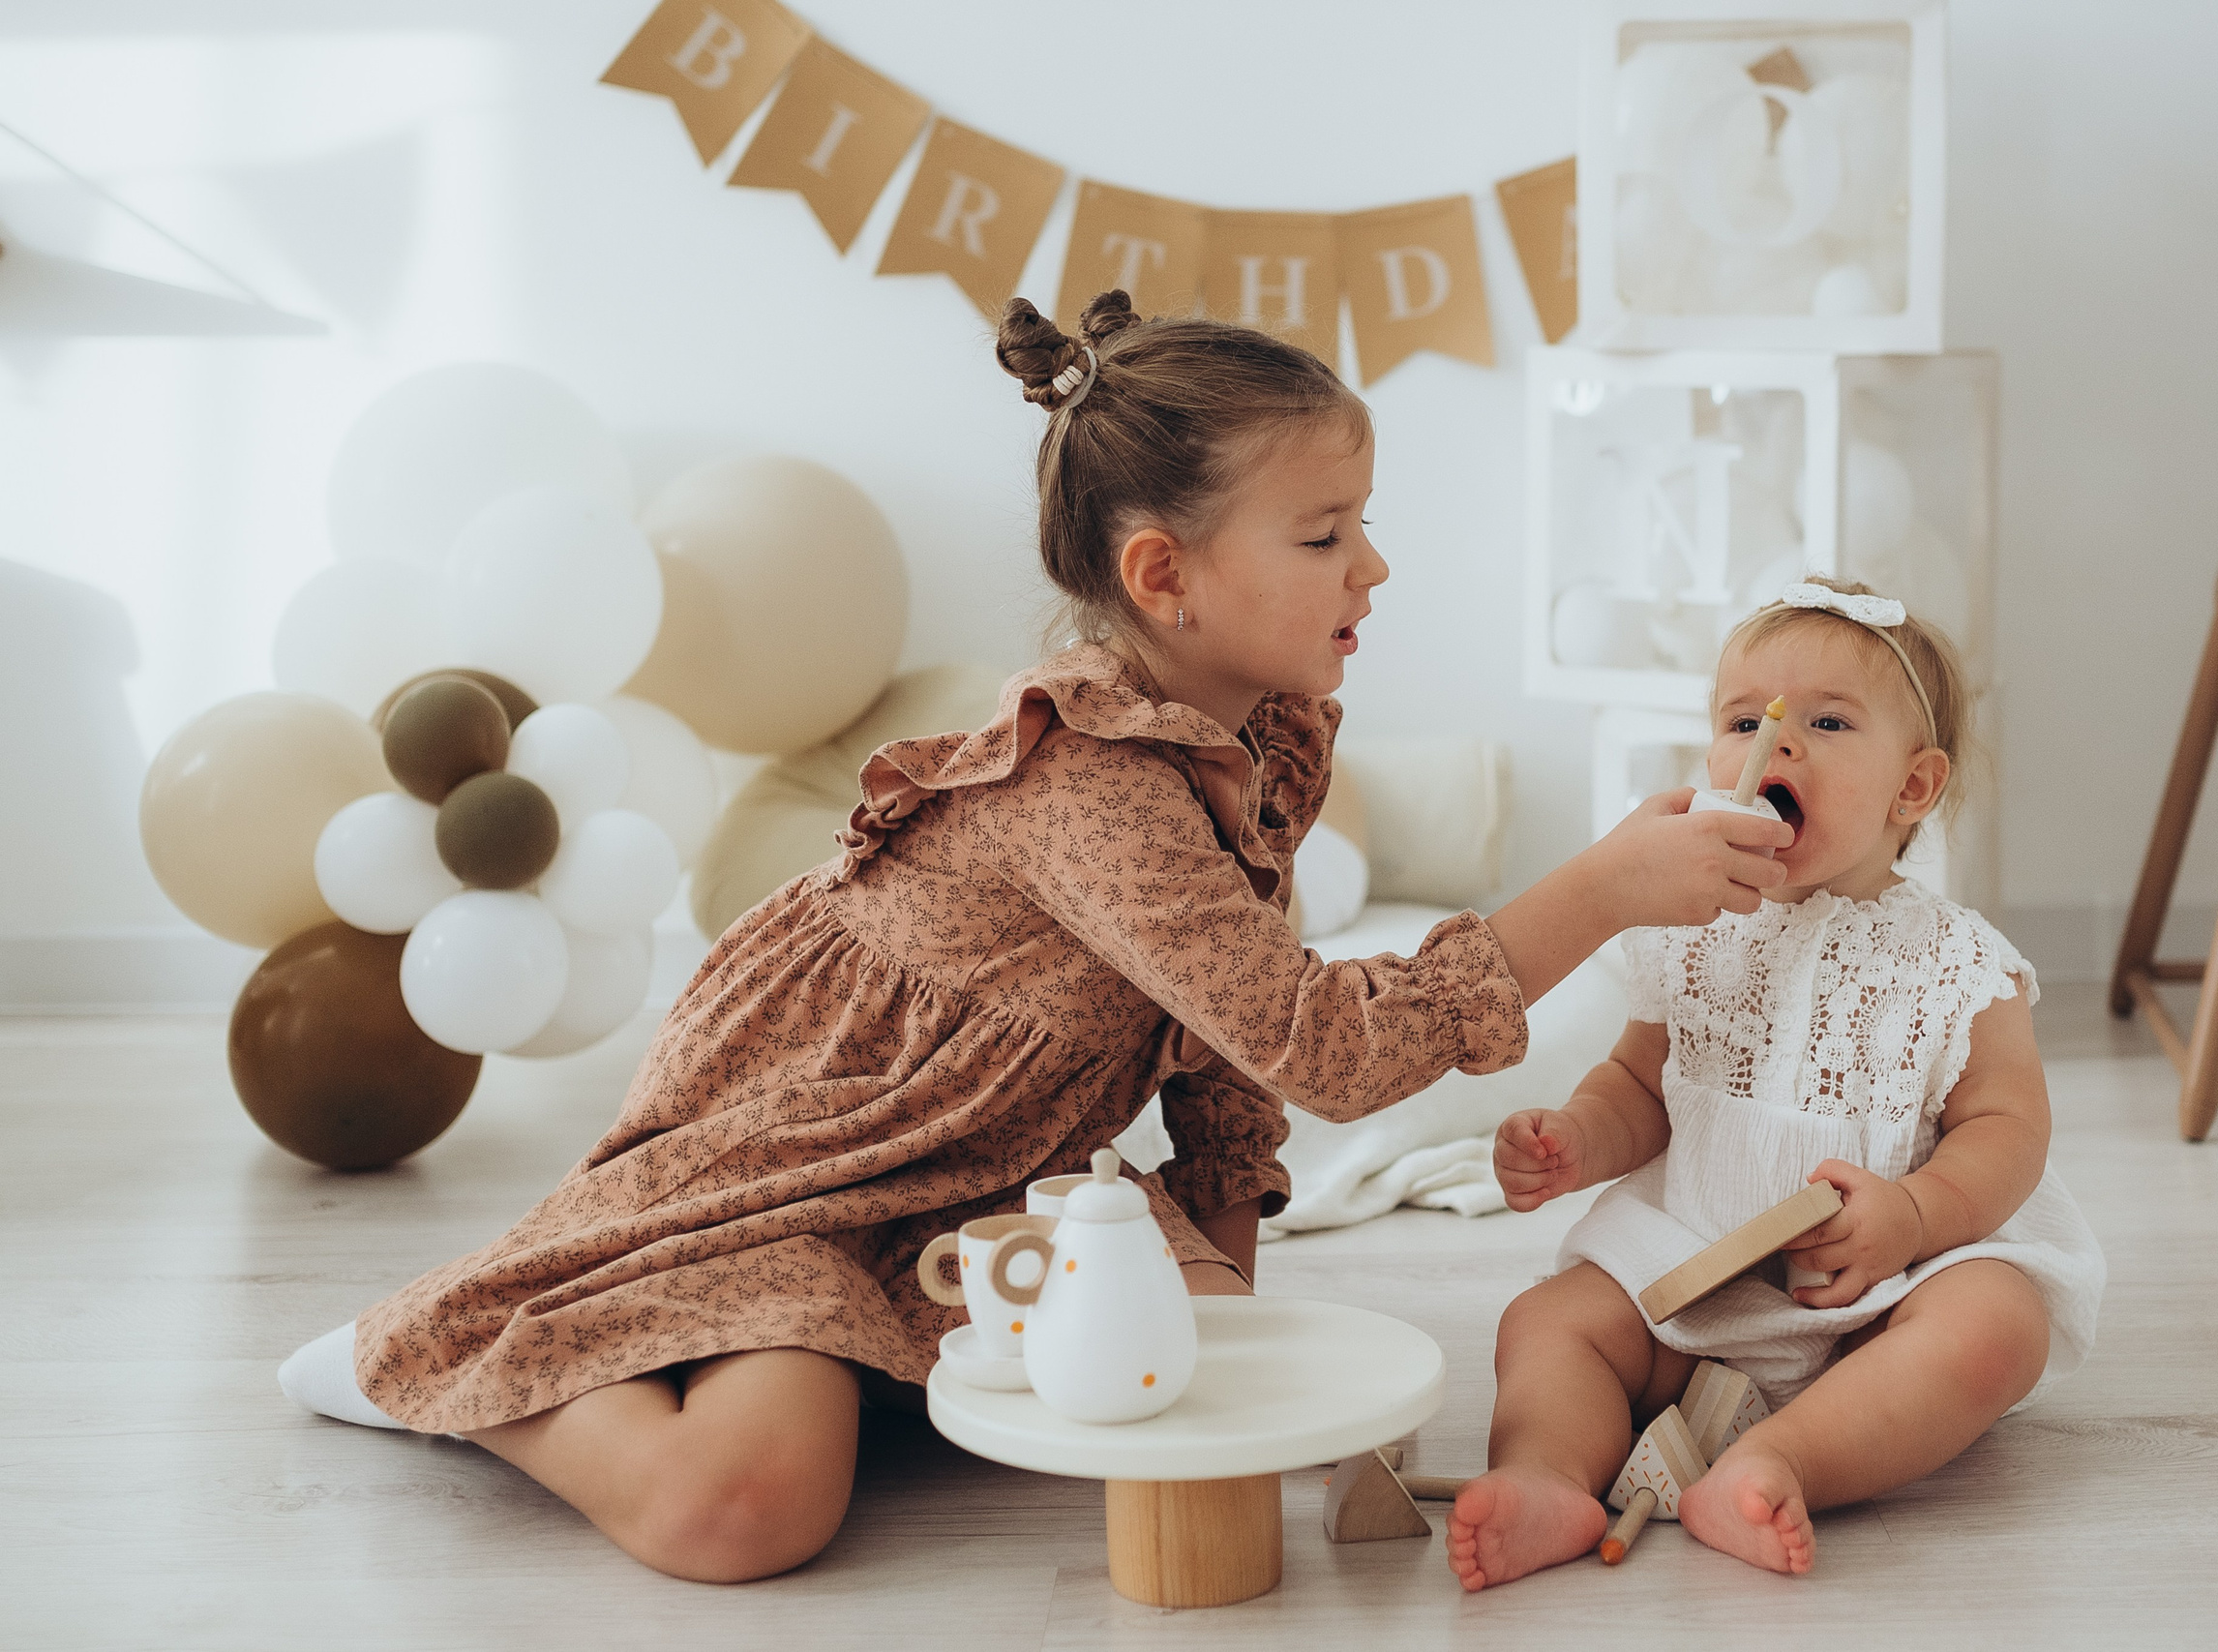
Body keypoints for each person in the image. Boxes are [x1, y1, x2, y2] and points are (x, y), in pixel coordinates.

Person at [276, 290, 1792, 1582]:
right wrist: (1593, 892)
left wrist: (1224, 1279)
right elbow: (1322, 1044)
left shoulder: (1259, 729)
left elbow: (1219, 1043)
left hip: (988, 1172)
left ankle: (818, 1346)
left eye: (1365, 524)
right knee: (742, 1506)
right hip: (808, 1156)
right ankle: (438, 1356)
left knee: (1186, 1378)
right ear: (1161, 577)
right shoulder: (1095, 783)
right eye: (1328, 533)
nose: (1372, 569)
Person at [1452, 578, 2105, 1589]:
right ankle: (1545, 1476)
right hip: (1691, 1281)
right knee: (1547, 1323)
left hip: (1880, 1304)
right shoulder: (1693, 927)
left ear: (1913, 788)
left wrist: (1916, 1215)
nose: (1777, 742)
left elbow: (2008, 1125)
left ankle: (1779, 1461)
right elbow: (1639, 1081)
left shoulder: (1954, 962)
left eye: (1827, 721)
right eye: (1745, 720)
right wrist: (1580, 1133)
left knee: (1993, 1331)